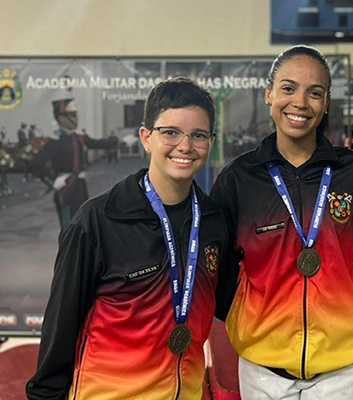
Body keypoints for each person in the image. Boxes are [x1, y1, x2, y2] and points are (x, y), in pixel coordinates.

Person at [26, 77, 228, 400]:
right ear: (146, 138)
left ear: (211, 141)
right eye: (171, 132)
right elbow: (59, 334)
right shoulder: (96, 221)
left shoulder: (214, 223)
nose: (185, 146)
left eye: (199, 135)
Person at [210, 45, 353, 400]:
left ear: (327, 103)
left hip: (343, 370)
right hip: (264, 372)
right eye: (288, 88)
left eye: (314, 92)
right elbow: (219, 270)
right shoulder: (239, 180)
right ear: (269, 93)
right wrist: (253, 321)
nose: (300, 102)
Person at [29, 98, 117, 228]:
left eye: (75, 115)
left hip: (80, 187)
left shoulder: (78, 138)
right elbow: (35, 163)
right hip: (66, 188)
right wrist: (53, 181)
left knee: (81, 225)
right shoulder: (56, 141)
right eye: (71, 115)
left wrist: (121, 142)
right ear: (60, 118)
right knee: (68, 227)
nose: (75, 118)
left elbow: (98, 143)